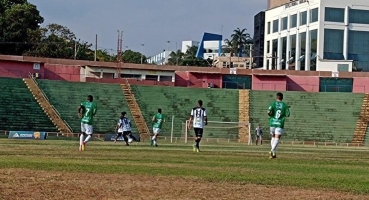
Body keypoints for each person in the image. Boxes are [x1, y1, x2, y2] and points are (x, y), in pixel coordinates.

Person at [267, 92, 290, 159]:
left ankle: (273, 153)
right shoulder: (284, 105)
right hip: (279, 123)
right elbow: (287, 115)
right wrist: (287, 109)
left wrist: (270, 115)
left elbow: (268, 112)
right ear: (282, 98)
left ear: (276, 97)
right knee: (277, 138)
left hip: (272, 122)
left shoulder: (273, 103)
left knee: (273, 137)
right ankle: (272, 150)